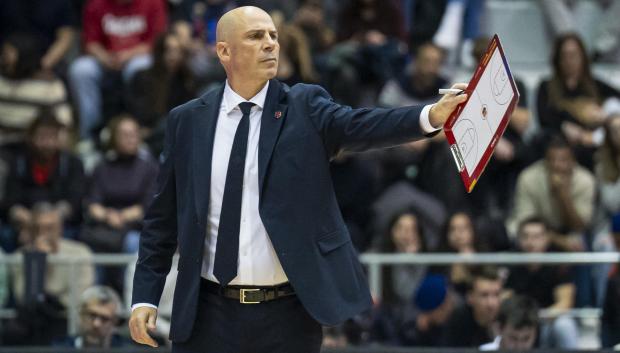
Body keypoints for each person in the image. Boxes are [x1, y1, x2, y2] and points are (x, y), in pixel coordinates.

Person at [128, 6, 467, 353]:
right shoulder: (187, 121)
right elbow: (161, 219)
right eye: (256, 36)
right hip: (207, 312)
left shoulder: (305, 106)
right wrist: (144, 297)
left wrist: (429, 115)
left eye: (273, 36)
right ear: (224, 51)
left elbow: (363, 125)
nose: (271, 44)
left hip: (288, 313)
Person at [68, 0, 168, 141]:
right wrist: (105, 58)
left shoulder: (153, 3)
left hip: (137, 57)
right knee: (80, 70)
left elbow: (157, 42)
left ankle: (137, 134)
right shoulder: (96, 4)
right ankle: (88, 136)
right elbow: (90, 43)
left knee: (140, 69)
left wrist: (128, 55)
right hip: (106, 58)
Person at [507, 136, 596, 250]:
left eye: (563, 160)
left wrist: (563, 196)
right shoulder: (528, 177)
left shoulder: (585, 180)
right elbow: (526, 219)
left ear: (572, 161)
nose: (556, 165)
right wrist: (554, 238)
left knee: (579, 243)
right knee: (517, 233)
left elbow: (579, 226)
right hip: (537, 228)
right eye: (551, 160)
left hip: (570, 231)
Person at [505, 217, 578, 349]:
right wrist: (524, 318)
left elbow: (565, 303)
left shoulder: (557, 263)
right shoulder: (512, 262)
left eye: (536, 237)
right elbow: (505, 299)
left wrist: (536, 317)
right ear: (519, 239)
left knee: (564, 325)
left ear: (546, 239)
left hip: (547, 322)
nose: (530, 242)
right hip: (520, 323)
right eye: (525, 236)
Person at [442, 266, 502, 347]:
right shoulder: (456, 325)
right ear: (470, 298)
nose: (491, 303)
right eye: (484, 295)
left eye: (496, 294)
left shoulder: (506, 318)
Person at [54, 285, 130, 348]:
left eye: (104, 319)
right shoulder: (59, 349)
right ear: (81, 314)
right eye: (92, 315)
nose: (96, 324)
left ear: (115, 322)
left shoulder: (128, 350)